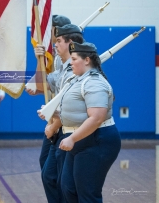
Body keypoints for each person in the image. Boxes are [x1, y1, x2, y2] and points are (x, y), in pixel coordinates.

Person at [40, 41, 121, 203]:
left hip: (98, 140)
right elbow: (78, 111)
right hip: (82, 140)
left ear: (87, 60)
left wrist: (71, 138)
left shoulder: (94, 82)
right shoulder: (78, 80)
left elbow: (97, 117)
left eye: (74, 58)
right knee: (68, 188)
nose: (71, 62)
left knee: (87, 194)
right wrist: (54, 113)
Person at [27, 24, 83, 203]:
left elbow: (71, 106)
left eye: (58, 41)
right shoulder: (62, 68)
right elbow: (38, 85)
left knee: (61, 180)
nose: (55, 45)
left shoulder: (76, 69)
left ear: (70, 42)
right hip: (58, 127)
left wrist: (53, 126)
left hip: (69, 129)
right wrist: (39, 59)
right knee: (50, 175)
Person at [26, 15, 71, 170]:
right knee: (46, 164)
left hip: (66, 121)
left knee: (55, 172)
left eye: (49, 29)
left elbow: (68, 94)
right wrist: (40, 60)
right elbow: (46, 84)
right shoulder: (56, 56)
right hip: (55, 117)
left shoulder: (70, 59)